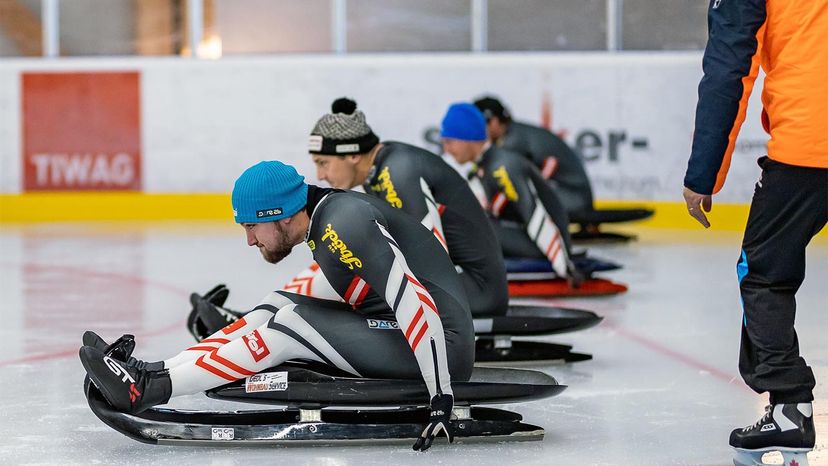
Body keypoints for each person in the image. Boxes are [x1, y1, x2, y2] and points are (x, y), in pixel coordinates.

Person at [79, 161, 475, 451]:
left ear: (281, 214)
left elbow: (412, 298)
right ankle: (152, 373)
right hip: (407, 333)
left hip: (444, 349)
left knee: (290, 325)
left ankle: (148, 391)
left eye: (251, 226)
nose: (250, 240)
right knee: (276, 306)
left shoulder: (344, 222)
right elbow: (327, 288)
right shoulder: (327, 218)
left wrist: (441, 396)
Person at [683, 0, 827, 459]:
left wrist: (704, 175)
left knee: (763, 274)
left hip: (810, 146)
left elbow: (730, 68)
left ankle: (789, 409)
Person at [295, 97, 508, 318]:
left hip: (477, 291)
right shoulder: (380, 169)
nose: (320, 175)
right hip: (462, 285)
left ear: (354, 155)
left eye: (323, 163)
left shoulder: (399, 170)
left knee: (342, 285)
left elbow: (430, 262)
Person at [439, 102, 579, 284]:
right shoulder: (485, 166)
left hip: (548, 244)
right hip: (527, 236)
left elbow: (534, 215)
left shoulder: (501, 167)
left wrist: (564, 266)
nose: (446, 149)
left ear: (469, 138)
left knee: (470, 226)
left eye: (449, 142)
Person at [473, 96, 593, 215]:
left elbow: (514, 185)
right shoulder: (514, 133)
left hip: (574, 196)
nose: (475, 131)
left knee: (517, 203)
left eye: (477, 125)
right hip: (570, 194)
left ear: (494, 121)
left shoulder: (513, 141)